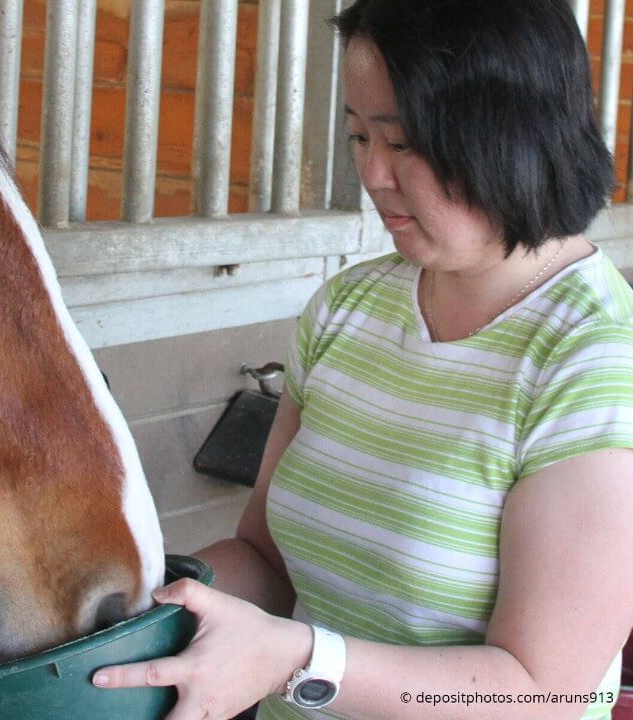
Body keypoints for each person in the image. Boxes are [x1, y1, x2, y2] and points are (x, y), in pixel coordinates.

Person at [92, 0, 633, 718]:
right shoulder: (348, 306)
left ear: (511, 133)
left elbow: (541, 690)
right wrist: (131, 614)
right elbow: (266, 559)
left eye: (404, 141)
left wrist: (300, 660)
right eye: (357, 135)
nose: (373, 173)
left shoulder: (593, 360)